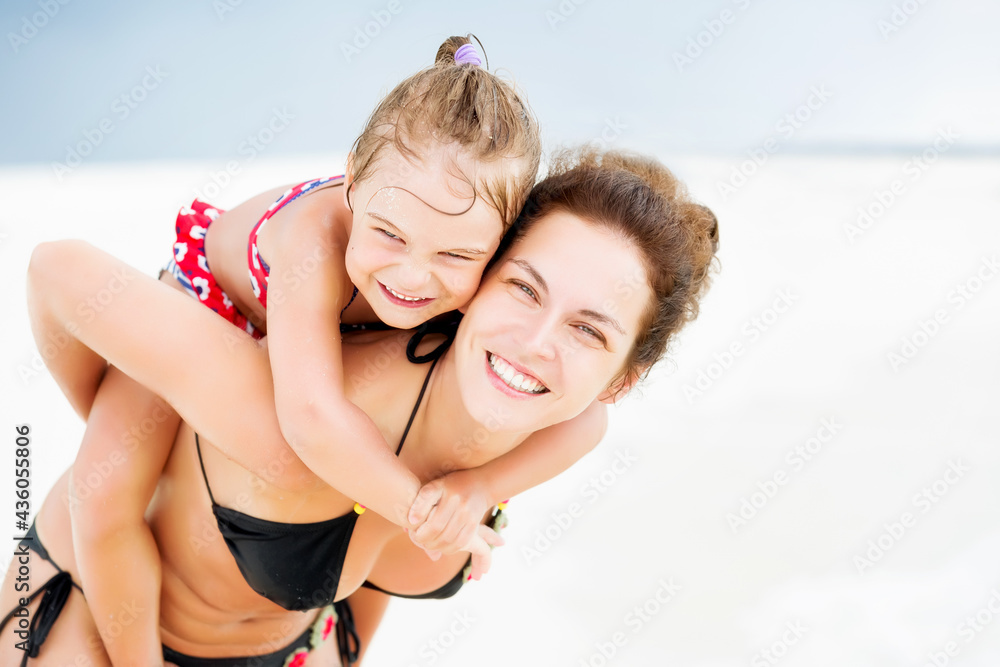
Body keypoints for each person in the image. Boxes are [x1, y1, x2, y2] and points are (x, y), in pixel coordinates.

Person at [2, 147, 719, 665]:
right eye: (524, 288)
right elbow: (57, 271)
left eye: (588, 329)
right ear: (480, 277)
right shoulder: (302, 408)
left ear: (624, 378)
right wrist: (125, 413)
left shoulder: (554, 425)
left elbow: (370, 578)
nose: (534, 343)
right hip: (91, 624)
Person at [37, 33, 571, 664]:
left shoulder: (454, 269)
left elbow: (578, 410)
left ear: (502, 244)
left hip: (325, 337)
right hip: (211, 304)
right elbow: (311, 417)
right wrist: (420, 512)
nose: (411, 277)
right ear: (351, 181)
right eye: (388, 234)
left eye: (456, 256)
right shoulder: (316, 238)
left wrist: (482, 486)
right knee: (102, 496)